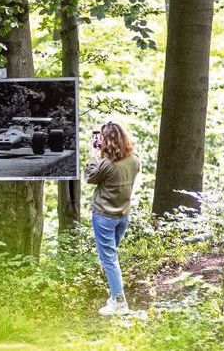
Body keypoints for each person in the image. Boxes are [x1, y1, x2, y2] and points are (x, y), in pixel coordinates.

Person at [85, 121, 140, 316]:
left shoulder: (106, 164)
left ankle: (119, 302)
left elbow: (89, 177)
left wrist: (94, 154)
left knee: (109, 260)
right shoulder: (134, 160)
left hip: (104, 217)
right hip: (122, 216)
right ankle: (115, 296)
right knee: (111, 258)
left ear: (106, 141)